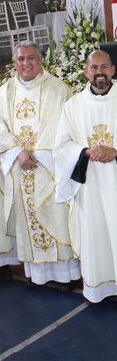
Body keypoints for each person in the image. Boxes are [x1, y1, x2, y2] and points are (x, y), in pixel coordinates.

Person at [54, 50, 117, 304]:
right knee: (95, 233)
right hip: (91, 188)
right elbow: (61, 146)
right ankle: (100, 289)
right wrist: (85, 151)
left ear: (113, 69)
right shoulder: (73, 106)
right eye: (93, 68)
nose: (99, 73)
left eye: (104, 67)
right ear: (86, 71)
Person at [0, 43, 79, 286]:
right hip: (18, 165)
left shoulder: (57, 88)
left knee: (55, 216)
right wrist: (16, 152)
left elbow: (62, 123)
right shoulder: (5, 92)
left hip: (47, 165)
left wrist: (38, 154)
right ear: (14, 62)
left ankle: (66, 275)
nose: (26, 63)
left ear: (41, 59)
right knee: (27, 219)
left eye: (31, 58)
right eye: (21, 59)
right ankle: (38, 276)